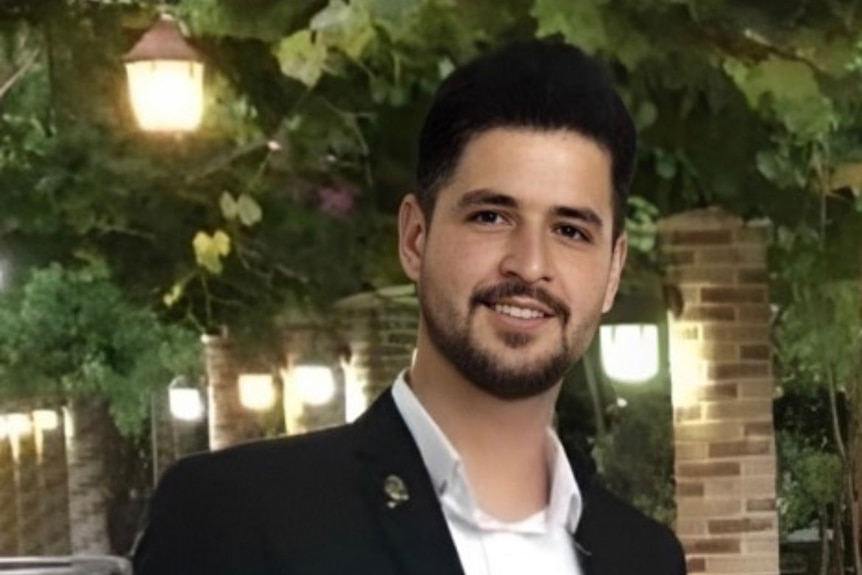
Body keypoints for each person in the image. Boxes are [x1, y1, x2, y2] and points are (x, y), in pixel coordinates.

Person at [132, 39, 687, 575]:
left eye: (570, 230)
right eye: (491, 216)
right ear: (415, 238)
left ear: (613, 271)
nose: (529, 263)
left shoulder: (645, 558)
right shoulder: (239, 517)